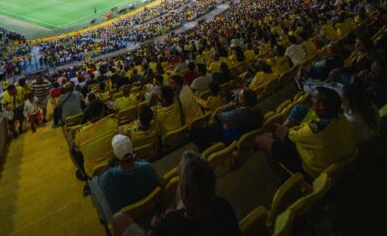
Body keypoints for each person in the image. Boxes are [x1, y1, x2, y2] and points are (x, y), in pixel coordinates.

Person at [110, 150, 241, 236]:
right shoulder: (224, 206)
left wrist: (152, 228)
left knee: (118, 219)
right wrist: (175, 214)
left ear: (184, 193)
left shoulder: (168, 228)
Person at [256, 86, 356, 179]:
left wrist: (295, 128)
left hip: (311, 169)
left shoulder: (317, 128)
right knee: (277, 129)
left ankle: (282, 174)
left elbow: (293, 135)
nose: (312, 100)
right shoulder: (342, 118)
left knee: (260, 138)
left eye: (314, 98)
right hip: (330, 158)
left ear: (321, 106)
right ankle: (279, 151)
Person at [89, 134, 161, 223]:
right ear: (133, 150)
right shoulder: (148, 167)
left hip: (124, 221)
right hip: (149, 211)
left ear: (115, 157)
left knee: (93, 182)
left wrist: (110, 164)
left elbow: (101, 179)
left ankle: (103, 219)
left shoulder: (108, 177)